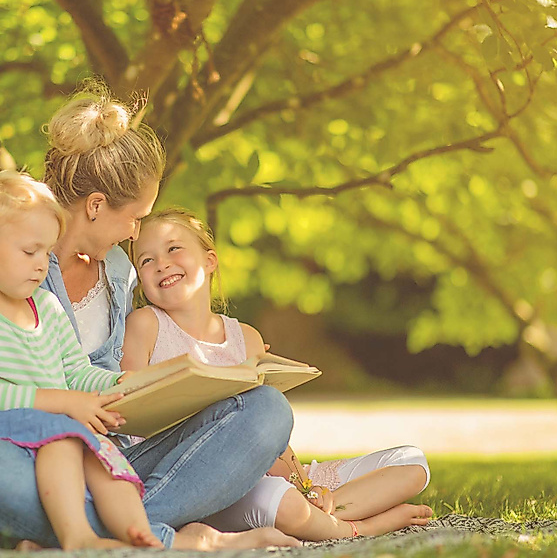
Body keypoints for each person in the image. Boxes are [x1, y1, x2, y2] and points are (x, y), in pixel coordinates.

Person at [0, 85, 300, 550]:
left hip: (103, 459)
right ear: (97, 206)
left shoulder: (118, 271)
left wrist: (172, 385)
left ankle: (87, 535)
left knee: (265, 411)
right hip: (13, 452)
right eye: (135, 217)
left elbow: (98, 381)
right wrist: (50, 408)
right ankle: (168, 538)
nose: (137, 233)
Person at [122, 208, 434, 541]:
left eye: (173, 248)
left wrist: (307, 485)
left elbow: (272, 433)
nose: (162, 264)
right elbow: (132, 416)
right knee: (282, 503)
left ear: (210, 260)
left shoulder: (246, 337)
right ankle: (359, 527)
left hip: (266, 472)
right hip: (195, 478)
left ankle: (322, 509)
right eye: (146, 260)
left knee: (413, 464)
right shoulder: (145, 326)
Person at [0, 169, 160, 549]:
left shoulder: (47, 308)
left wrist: (122, 383)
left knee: (103, 458)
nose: (41, 265)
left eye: (46, 253)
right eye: (29, 251)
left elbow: (76, 372)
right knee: (65, 440)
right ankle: (79, 537)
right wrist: (66, 402)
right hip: (1, 442)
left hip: (55, 438)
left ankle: (143, 536)